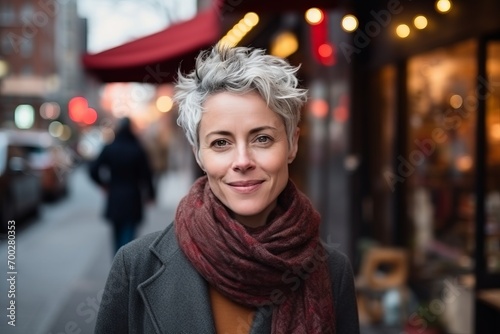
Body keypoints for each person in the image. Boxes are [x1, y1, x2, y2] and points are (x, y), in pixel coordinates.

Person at [94, 45, 360, 334]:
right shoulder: (135, 266)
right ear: (198, 153)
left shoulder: (333, 272)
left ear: (292, 144)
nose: (242, 161)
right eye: (221, 143)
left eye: (262, 139)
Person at [89, 117, 155, 253]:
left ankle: (117, 268)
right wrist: (151, 194)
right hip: (132, 197)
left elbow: (93, 169)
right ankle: (125, 269)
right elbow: (147, 175)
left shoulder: (110, 148)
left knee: (116, 236)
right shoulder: (137, 149)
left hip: (115, 197)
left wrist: (103, 184)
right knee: (129, 239)